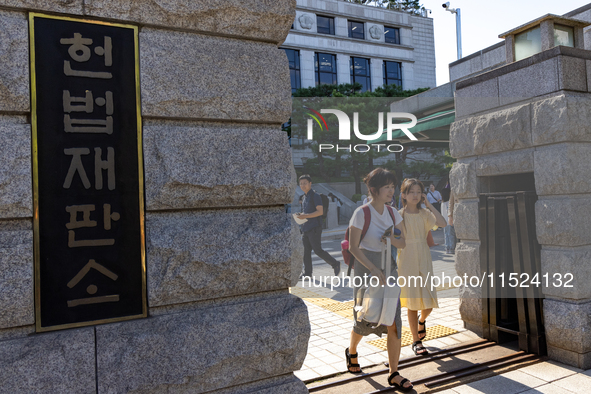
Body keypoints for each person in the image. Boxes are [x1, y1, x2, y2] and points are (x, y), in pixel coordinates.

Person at [346, 168, 413, 391]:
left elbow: (402, 242)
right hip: (366, 269)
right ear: (374, 189)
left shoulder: (394, 213)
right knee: (365, 318)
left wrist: (391, 237)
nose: (391, 191)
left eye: (393, 187)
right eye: (387, 187)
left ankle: (393, 372)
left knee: (393, 321)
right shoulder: (361, 213)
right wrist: (373, 268)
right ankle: (352, 351)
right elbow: (354, 247)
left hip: (388, 268)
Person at [398, 178, 447, 356]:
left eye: (418, 192)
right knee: (412, 303)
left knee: (429, 301)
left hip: (424, 256)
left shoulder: (425, 214)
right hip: (407, 259)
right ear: (403, 195)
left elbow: (442, 223)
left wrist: (430, 204)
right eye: (411, 192)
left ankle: (422, 321)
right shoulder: (399, 214)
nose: (415, 195)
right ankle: (416, 340)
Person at [296, 175, 341, 277]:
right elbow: (306, 212)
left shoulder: (315, 196)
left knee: (317, 250)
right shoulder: (304, 197)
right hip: (306, 228)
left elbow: (320, 212)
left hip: (315, 227)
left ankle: (335, 263)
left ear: (310, 183)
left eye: (305, 183)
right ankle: (308, 273)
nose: (303, 185)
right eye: (301, 183)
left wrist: (305, 216)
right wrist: (300, 217)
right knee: (306, 251)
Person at [441, 182, 457, 254]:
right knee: (451, 235)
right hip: (449, 221)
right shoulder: (448, 203)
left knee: (446, 235)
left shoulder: (442, 203)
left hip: (444, 222)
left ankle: (447, 248)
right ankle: (452, 248)